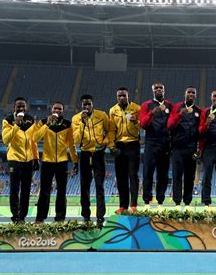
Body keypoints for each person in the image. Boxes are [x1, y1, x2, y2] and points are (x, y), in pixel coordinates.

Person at [34, 102, 78, 223]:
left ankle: (60, 218)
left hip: (62, 161)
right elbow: (35, 138)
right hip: (47, 161)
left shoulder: (68, 124)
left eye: (60, 108)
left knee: (62, 191)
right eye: (55, 108)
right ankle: (40, 218)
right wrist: (47, 124)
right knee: (44, 190)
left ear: (62, 111)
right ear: (51, 109)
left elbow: (71, 144)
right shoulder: (43, 122)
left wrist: (75, 161)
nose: (57, 110)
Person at [72, 94, 110, 227]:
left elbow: (110, 130)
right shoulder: (76, 119)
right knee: (84, 186)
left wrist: (105, 142)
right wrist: (82, 123)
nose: (87, 107)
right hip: (85, 154)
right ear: (81, 106)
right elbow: (76, 139)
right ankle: (86, 216)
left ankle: (100, 217)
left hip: (99, 154)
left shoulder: (102, 115)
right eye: (84, 105)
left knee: (100, 186)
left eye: (89, 104)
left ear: (92, 104)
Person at [2, 97, 39, 223]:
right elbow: (6, 140)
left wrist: (36, 158)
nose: (21, 108)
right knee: (14, 189)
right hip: (15, 159)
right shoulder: (7, 121)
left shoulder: (31, 120)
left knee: (26, 190)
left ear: (26, 107)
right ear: (14, 107)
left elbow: (33, 141)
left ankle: (22, 216)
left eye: (23, 106)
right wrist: (16, 126)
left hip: (28, 160)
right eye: (18, 106)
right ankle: (15, 216)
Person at [139, 82, 174, 209]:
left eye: (161, 88)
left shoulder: (170, 105)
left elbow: (173, 123)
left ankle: (160, 201)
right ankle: (147, 202)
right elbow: (143, 124)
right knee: (148, 172)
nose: (159, 90)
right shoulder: (146, 105)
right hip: (151, 143)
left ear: (164, 91)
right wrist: (151, 113)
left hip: (165, 144)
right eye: (156, 88)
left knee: (163, 175)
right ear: (152, 90)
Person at [167, 87, 202, 210]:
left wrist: (199, 148)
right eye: (189, 92)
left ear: (196, 96)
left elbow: (201, 132)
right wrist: (179, 115)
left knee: (189, 176)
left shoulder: (198, 111)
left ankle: (187, 202)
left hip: (191, 148)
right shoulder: (177, 108)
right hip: (177, 148)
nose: (191, 94)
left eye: (193, 93)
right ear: (185, 94)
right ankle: (177, 202)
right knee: (177, 175)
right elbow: (170, 125)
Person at [108, 87, 141, 213]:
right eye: (119, 96)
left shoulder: (136, 108)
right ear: (117, 97)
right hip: (119, 145)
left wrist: (135, 121)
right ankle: (123, 206)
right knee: (121, 176)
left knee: (133, 175)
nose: (121, 98)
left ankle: (133, 205)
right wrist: (111, 145)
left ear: (128, 96)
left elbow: (143, 125)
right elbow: (111, 130)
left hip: (133, 144)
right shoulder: (113, 110)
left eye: (124, 96)